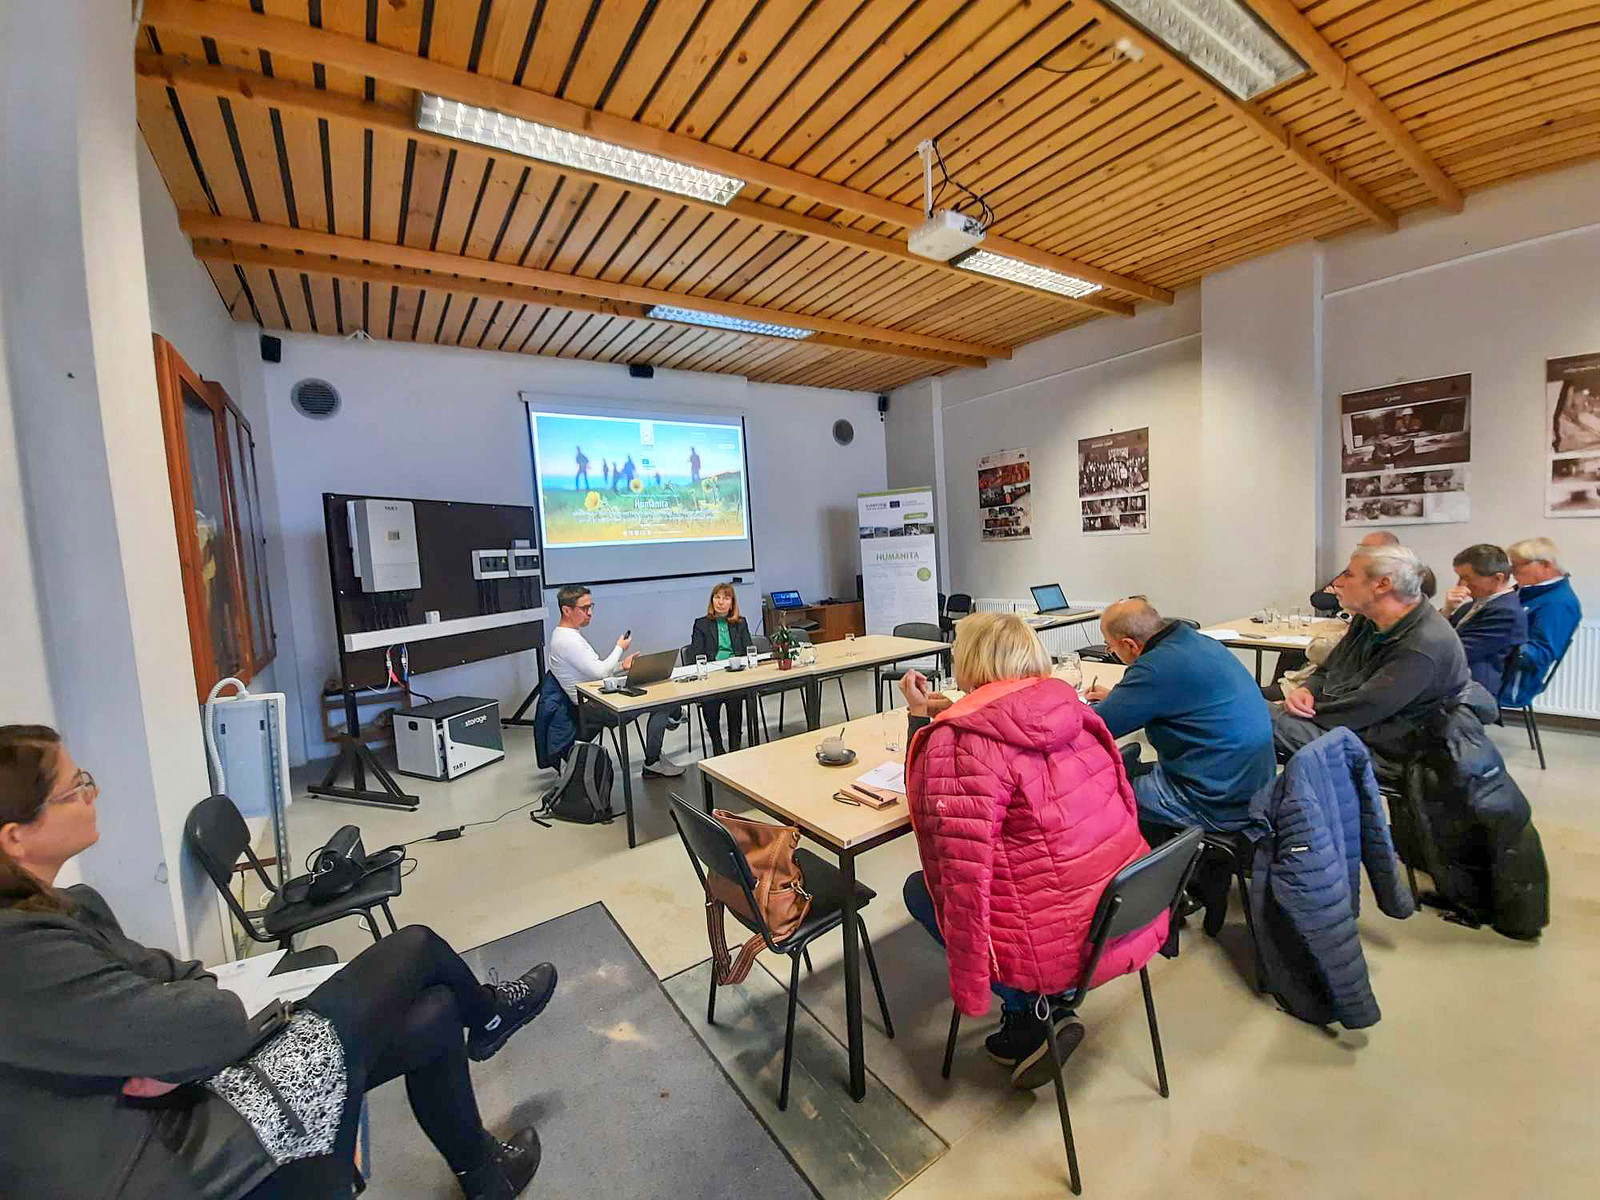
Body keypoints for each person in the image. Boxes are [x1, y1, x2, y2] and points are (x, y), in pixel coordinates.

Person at [0, 725, 556, 1200]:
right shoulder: (19, 955)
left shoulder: (68, 908)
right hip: (174, 1155)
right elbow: (209, 1019)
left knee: (434, 1012)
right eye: (75, 787)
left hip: (191, 1098)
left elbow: (186, 980)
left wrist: (170, 1051)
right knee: (414, 946)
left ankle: (486, 1173)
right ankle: (485, 1016)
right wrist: (178, 1042)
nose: (90, 793)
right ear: (16, 836)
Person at [898, 613, 1167, 1091]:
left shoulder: (960, 744)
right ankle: (1045, 1005)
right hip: (1125, 914)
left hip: (1058, 950)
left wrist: (923, 720)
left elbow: (955, 872)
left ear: (972, 661)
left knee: (920, 890)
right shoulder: (1076, 713)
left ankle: (1031, 1013)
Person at [1085, 599, 1274, 833]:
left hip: (1216, 802)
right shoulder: (1198, 642)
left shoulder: (1154, 668)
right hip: (1251, 786)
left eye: (1110, 647)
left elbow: (1095, 727)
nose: (1111, 652)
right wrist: (1121, 697)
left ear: (1129, 645)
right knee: (1131, 770)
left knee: (1096, 798)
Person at [1275, 545, 1469, 772]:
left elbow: (1361, 710)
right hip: (1353, 726)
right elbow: (1329, 668)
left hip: (1388, 751)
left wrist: (1288, 710)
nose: (1338, 583)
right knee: (1253, 715)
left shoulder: (1423, 646)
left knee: (1249, 715)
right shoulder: (1369, 620)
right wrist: (1305, 690)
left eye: (1348, 575)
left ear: (1382, 584)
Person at [548, 584, 683, 777]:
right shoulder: (567, 641)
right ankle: (653, 760)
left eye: (591, 606)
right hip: (596, 708)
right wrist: (620, 647)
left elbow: (593, 669)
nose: (590, 613)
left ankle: (674, 716)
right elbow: (599, 672)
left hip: (598, 697)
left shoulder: (567, 636)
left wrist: (622, 666)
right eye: (584, 608)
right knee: (661, 702)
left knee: (653, 688)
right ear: (566, 610)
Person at [1503, 537, 1583, 705]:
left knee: (1445, 678)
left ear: (1546, 565)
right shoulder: (1529, 592)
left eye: (1517, 565)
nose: (1511, 571)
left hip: (1514, 681)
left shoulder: (1559, 603)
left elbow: (1539, 655)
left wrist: (1494, 640)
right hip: (1501, 668)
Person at [1442, 543, 1528, 698]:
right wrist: (1447, 611)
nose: (1460, 584)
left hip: (1470, 688)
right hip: (1454, 677)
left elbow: (1458, 653)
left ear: (1497, 578)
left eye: (1466, 578)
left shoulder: (1505, 613)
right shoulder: (1470, 606)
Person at [689, 583, 751, 757]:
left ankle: (735, 748)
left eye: (726, 598)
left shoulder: (740, 623)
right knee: (710, 702)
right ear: (712, 601)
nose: (721, 602)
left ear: (732, 603)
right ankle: (717, 747)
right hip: (712, 676)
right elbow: (697, 654)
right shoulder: (701, 624)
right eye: (717, 597)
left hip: (735, 674)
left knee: (735, 700)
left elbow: (748, 649)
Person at [1309, 530, 1399, 614]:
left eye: (1366, 549)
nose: (1359, 552)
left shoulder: (1398, 578)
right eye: (1360, 547)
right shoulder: (1355, 569)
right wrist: (1345, 597)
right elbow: (1317, 599)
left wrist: (1343, 596)